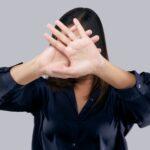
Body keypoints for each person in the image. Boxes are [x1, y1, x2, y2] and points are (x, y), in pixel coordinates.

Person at [0, 7, 150, 150]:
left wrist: (101, 66)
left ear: (97, 46)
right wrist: (38, 65)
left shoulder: (117, 95)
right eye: (65, 44)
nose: (72, 53)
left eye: (80, 45)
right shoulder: (43, 91)